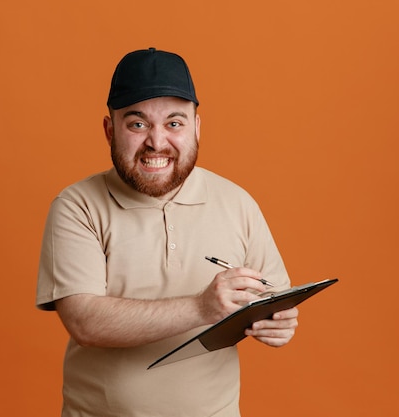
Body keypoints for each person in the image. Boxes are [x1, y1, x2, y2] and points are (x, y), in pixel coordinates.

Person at [36, 47, 299, 417]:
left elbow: (275, 299)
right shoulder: (77, 205)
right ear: (110, 130)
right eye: (137, 123)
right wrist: (200, 307)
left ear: (196, 127)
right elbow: (84, 321)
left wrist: (280, 324)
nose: (156, 143)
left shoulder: (237, 203)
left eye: (174, 123)